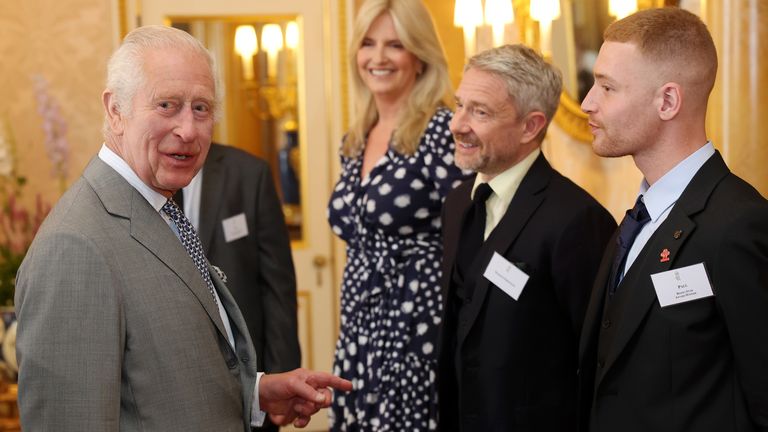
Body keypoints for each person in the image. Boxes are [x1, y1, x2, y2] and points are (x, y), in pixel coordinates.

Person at [14, 25, 350, 431]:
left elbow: (163, 383)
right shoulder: (74, 247)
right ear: (115, 110)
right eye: (167, 105)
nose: (188, 130)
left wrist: (255, 392)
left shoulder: (159, 208)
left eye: (201, 108)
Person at [578, 8, 768, 432]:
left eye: (607, 87)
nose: (588, 102)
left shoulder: (739, 226)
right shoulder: (637, 220)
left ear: (667, 101)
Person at [437, 44, 617, 431]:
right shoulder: (456, 204)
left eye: (479, 112)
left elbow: (598, 362)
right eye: (460, 105)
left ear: (530, 126)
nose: (457, 124)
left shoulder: (577, 220)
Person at [326, 0, 466, 429]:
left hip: (417, 326)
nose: (378, 57)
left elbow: (469, 230)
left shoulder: (441, 130)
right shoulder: (355, 138)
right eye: (368, 44)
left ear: (420, 56)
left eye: (395, 45)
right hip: (359, 328)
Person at [175, 142, 302, 432]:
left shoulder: (249, 173)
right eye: (168, 105)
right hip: (176, 376)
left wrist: (283, 372)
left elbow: (277, 286)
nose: (186, 124)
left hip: (247, 373)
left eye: (200, 107)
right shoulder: (140, 180)